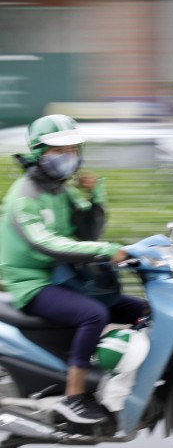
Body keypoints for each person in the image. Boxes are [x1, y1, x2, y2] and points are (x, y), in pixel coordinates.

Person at [0, 114, 146, 424]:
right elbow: (47, 243)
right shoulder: (24, 197)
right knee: (94, 314)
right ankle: (74, 397)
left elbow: (87, 234)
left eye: (72, 149)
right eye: (58, 150)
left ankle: (119, 379)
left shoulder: (59, 191)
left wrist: (94, 196)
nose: (67, 156)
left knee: (144, 311)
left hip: (64, 277)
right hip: (34, 284)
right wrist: (106, 251)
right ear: (40, 154)